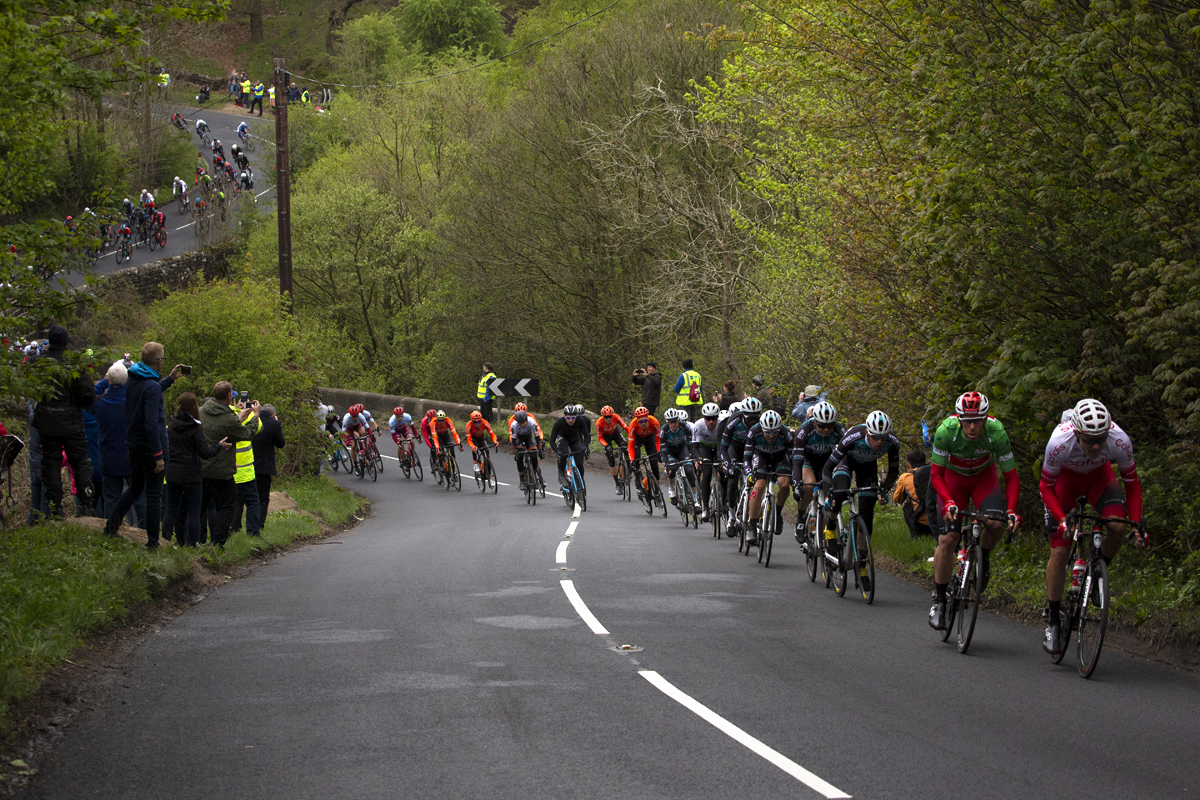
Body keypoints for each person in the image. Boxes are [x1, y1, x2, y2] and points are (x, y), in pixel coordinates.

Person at [1038, 398, 1145, 656]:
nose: (1097, 445)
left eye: (1101, 438)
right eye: (1089, 440)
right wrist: (1061, 518)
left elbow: (1132, 485)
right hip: (1064, 483)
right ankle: (1053, 620)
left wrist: (1138, 525)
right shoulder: (1059, 442)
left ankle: (1098, 573)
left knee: (1118, 527)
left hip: (1100, 479)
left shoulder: (1119, 439)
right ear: (1076, 434)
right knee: (1060, 550)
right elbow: (1046, 487)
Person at [926, 392, 1021, 631]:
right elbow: (936, 475)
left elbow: (1011, 476)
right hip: (952, 481)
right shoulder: (946, 431)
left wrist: (1011, 510)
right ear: (959, 419)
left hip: (983, 480)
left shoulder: (996, 432)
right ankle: (938, 600)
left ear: (985, 419)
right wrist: (947, 501)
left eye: (977, 420)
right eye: (966, 420)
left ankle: (983, 556)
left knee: (997, 523)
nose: (971, 426)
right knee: (948, 539)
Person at [105, 342, 183, 547]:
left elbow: (151, 391)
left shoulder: (133, 377)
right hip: (152, 447)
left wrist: (170, 380)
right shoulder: (150, 386)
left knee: (135, 488)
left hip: (134, 444)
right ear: (158, 361)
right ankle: (152, 541)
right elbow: (151, 423)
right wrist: (158, 455)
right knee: (154, 495)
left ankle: (110, 527)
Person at [821, 410, 901, 593]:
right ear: (867, 433)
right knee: (839, 494)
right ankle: (830, 527)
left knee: (866, 515)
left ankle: (862, 565)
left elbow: (893, 471)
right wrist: (828, 495)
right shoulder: (852, 437)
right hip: (846, 463)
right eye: (875, 437)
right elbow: (828, 468)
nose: (880, 442)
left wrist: (883, 490)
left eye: (883, 438)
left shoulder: (893, 443)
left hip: (868, 469)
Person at [31, 325, 96, 518]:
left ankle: (55, 507)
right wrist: (75, 403)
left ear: (49, 341)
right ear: (66, 342)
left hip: (47, 419)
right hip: (71, 420)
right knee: (80, 461)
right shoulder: (75, 364)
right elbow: (88, 395)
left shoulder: (37, 363)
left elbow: (30, 389)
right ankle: (86, 504)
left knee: (50, 462)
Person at [165, 393, 229, 546]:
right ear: (195, 407)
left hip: (172, 472)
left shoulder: (171, 425)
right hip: (190, 474)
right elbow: (204, 452)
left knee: (171, 510)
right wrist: (219, 446)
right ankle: (192, 544)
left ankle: (165, 541)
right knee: (194, 511)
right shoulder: (195, 428)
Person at [200, 382, 258, 547]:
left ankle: (198, 541)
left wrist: (238, 419)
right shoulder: (227, 417)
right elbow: (246, 434)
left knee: (201, 507)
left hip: (201, 466)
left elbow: (224, 429)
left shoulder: (202, 411)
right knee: (227, 506)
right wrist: (255, 416)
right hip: (220, 468)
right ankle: (218, 542)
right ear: (229, 396)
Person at [94, 361, 146, 529]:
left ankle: (111, 531)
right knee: (139, 498)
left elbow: (88, 395)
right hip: (132, 457)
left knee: (111, 499)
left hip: (109, 458)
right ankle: (145, 532)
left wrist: (105, 381)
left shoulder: (100, 405)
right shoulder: (135, 403)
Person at [743, 409, 794, 547]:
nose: (771, 436)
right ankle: (752, 526)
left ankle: (777, 512)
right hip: (761, 458)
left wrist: (795, 476)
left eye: (774, 432)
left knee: (784, 484)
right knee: (758, 487)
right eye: (767, 432)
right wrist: (748, 473)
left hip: (780, 459)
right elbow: (747, 457)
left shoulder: (786, 433)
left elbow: (793, 457)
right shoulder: (754, 431)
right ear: (762, 428)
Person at [789, 400, 844, 528]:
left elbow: (846, 457)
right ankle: (801, 517)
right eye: (821, 426)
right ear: (814, 423)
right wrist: (797, 485)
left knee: (833, 490)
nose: (826, 429)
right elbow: (797, 461)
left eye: (830, 426)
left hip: (828, 460)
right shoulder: (804, 430)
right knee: (809, 485)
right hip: (808, 459)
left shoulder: (840, 430)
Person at [719, 396, 763, 529]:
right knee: (732, 479)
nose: (753, 421)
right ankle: (732, 518)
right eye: (750, 418)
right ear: (743, 415)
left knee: (757, 480)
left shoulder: (762, 423)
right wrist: (727, 463)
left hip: (753, 449)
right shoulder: (733, 421)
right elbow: (723, 447)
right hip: (736, 449)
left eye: (756, 417)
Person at [252, 404, 285, 525]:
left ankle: (235, 526)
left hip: (247, 464)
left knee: (242, 498)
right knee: (263, 498)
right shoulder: (274, 424)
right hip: (265, 466)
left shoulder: (250, 420)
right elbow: (280, 443)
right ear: (273, 414)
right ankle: (259, 524)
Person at [549, 404, 591, 498]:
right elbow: (551, 441)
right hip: (563, 438)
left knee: (579, 460)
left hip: (574, 439)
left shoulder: (580, 421)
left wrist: (584, 446)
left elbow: (587, 436)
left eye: (573, 417)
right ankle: (561, 473)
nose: (571, 420)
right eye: (568, 418)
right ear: (564, 416)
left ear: (576, 416)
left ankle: (580, 479)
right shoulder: (559, 423)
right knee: (563, 453)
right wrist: (557, 451)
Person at [659, 408, 696, 508]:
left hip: (682, 449)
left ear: (679, 420)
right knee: (672, 469)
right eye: (670, 422)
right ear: (667, 422)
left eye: (675, 421)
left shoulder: (685, 427)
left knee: (689, 470)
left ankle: (695, 499)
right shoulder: (664, 431)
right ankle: (671, 488)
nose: (673, 424)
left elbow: (691, 444)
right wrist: (666, 466)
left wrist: (694, 457)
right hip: (670, 451)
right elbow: (663, 450)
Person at [690, 402, 721, 521]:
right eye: (708, 419)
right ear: (704, 418)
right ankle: (706, 508)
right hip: (705, 448)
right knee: (707, 473)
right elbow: (694, 447)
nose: (711, 422)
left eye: (714, 418)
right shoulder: (698, 425)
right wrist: (698, 458)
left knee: (724, 473)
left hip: (718, 448)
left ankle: (724, 501)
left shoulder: (722, 424)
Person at [893, 450, 932, 538]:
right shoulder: (934, 472)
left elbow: (897, 499)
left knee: (907, 505)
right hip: (938, 519)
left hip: (920, 522)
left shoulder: (905, 477)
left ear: (908, 464)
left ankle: (914, 535)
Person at [626, 406, 662, 498]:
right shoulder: (633, 425)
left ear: (648, 419)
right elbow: (630, 446)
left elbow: (658, 440)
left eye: (645, 421)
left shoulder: (654, 422)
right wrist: (632, 460)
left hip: (649, 438)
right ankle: (638, 485)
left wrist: (659, 452)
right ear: (636, 420)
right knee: (636, 459)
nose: (643, 423)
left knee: (654, 464)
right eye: (640, 422)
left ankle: (656, 488)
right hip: (637, 439)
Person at [595, 405, 628, 496]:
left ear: (612, 415)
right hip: (605, 438)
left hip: (615, 434)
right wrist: (606, 446)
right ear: (603, 416)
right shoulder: (599, 423)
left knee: (626, 448)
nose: (608, 419)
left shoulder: (617, 417)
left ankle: (629, 467)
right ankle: (617, 484)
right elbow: (600, 438)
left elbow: (626, 427)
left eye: (610, 416)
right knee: (611, 458)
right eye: (606, 417)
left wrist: (632, 436)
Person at [509, 407, 544, 489]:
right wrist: (516, 452)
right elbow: (513, 442)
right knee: (520, 457)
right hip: (519, 438)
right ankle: (521, 480)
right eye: (520, 423)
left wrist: (540, 450)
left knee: (534, 456)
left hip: (528, 437)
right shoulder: (514, 425)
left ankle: (534, 475)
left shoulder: (532, 422)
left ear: (526, 419)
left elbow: (537, 438)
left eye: (524, 422)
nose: (523, 425)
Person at [429, 410, 461, 481]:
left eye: (442, 420)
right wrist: (438, 449)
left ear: (445, 419)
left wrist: (459, 444)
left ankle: (453, 472)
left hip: (445, 434)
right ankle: (440, 463)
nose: (441, 422)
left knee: (451, 447)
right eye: (439, 421)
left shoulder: (448, 421)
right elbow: (434, 438)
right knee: (439, 450)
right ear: (437, 419)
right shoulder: (433, 423)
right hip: (437, 435)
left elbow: (454, 433)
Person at [464, 410, 498, 475]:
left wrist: (495, 441)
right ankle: (475, 462)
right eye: (475, 422)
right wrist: (473, 446)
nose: (477, 424)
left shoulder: (485, 423)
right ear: (472, 421)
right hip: (473, 438)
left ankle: (490, 477)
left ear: (481, 420)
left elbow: (492, 434)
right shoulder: (469, 425)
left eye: (479, 421)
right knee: (475, 446)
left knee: (487, 454)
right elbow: (468, 439)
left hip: (481, 437)